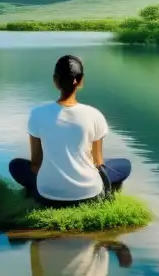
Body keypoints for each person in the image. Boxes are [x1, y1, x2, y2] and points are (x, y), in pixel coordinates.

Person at [9, 54, 132, 206]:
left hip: (47, 194)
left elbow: (36, 164)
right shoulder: (94, 114)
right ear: (80, 81)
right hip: (89, 193)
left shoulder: (37, 114)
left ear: (55, 81)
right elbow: (98, 162)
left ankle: (40, 190)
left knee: (16, 165)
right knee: (125, 165)